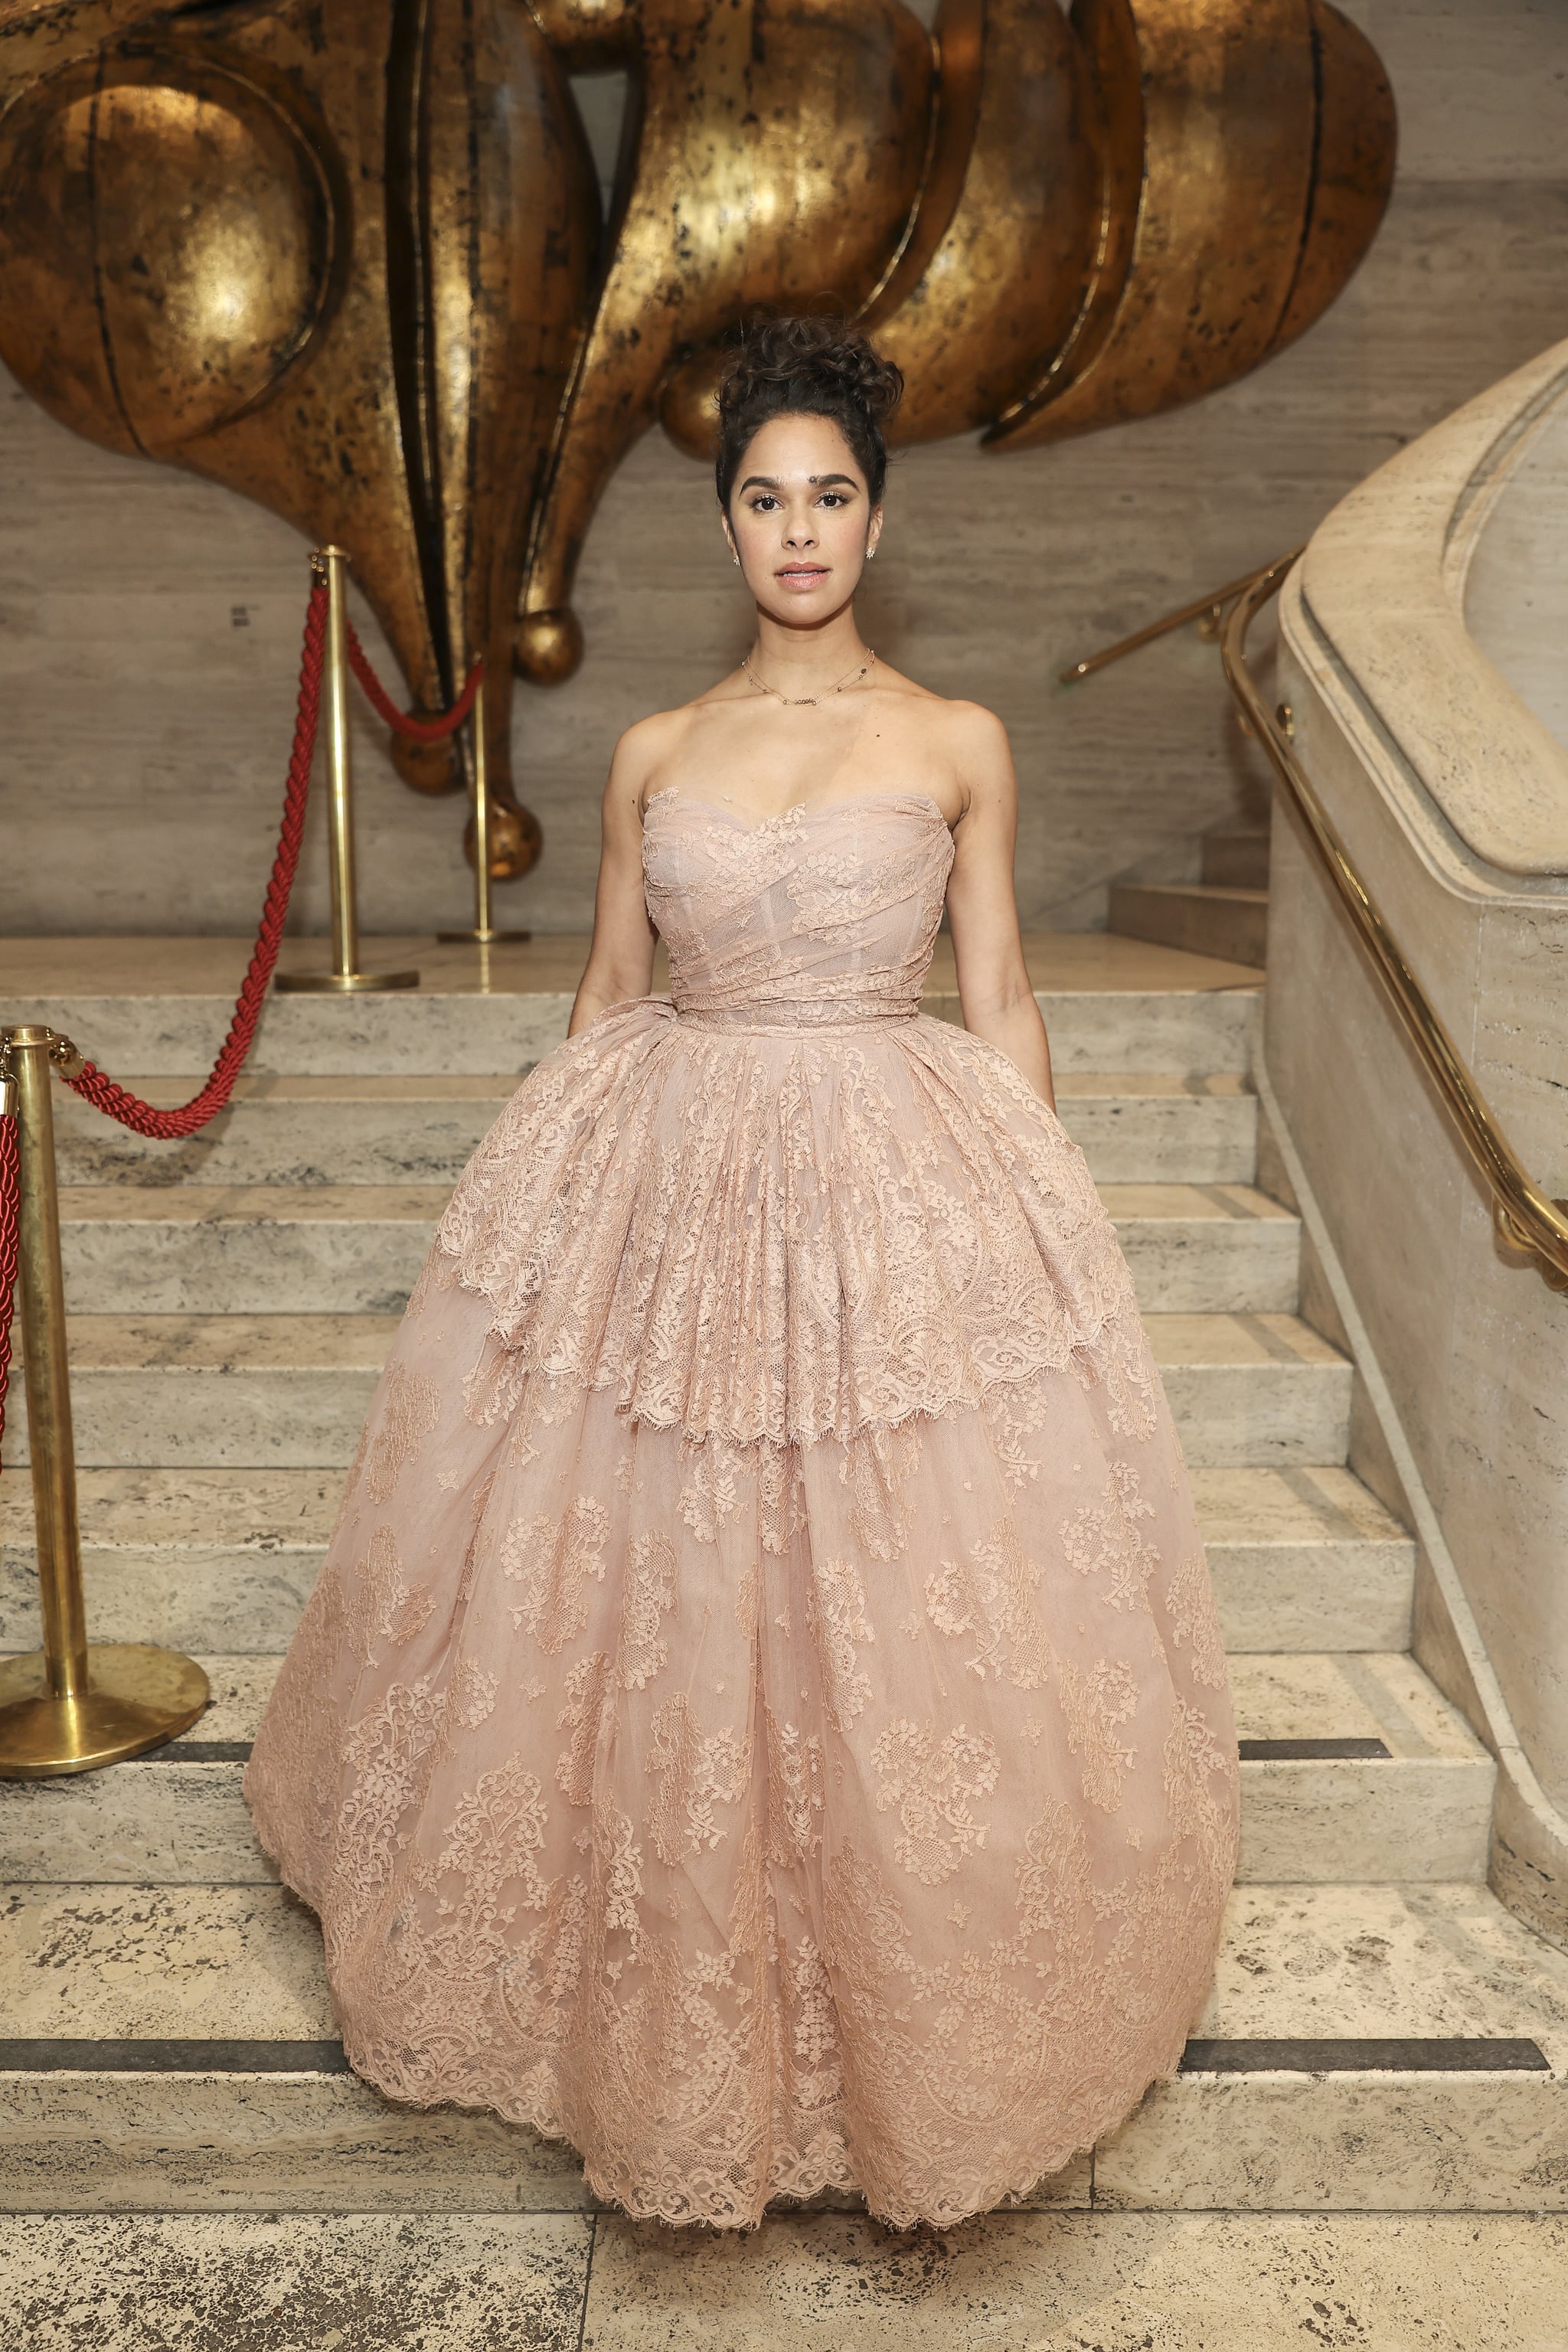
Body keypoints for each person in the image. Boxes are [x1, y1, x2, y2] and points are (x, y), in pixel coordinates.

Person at [243, 315, 1240, 2233]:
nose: (800, 532)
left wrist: (1040, 1228)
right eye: (767, 500)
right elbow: (611, 998)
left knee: (894, 1585)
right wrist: (538, 1221)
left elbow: (1003, 993)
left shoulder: (956, 742)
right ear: (726, 531)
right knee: (656, 1570)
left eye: (832, 498)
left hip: (886, 1174)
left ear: (875, 524)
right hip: (675, 1184)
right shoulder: (652, 750)